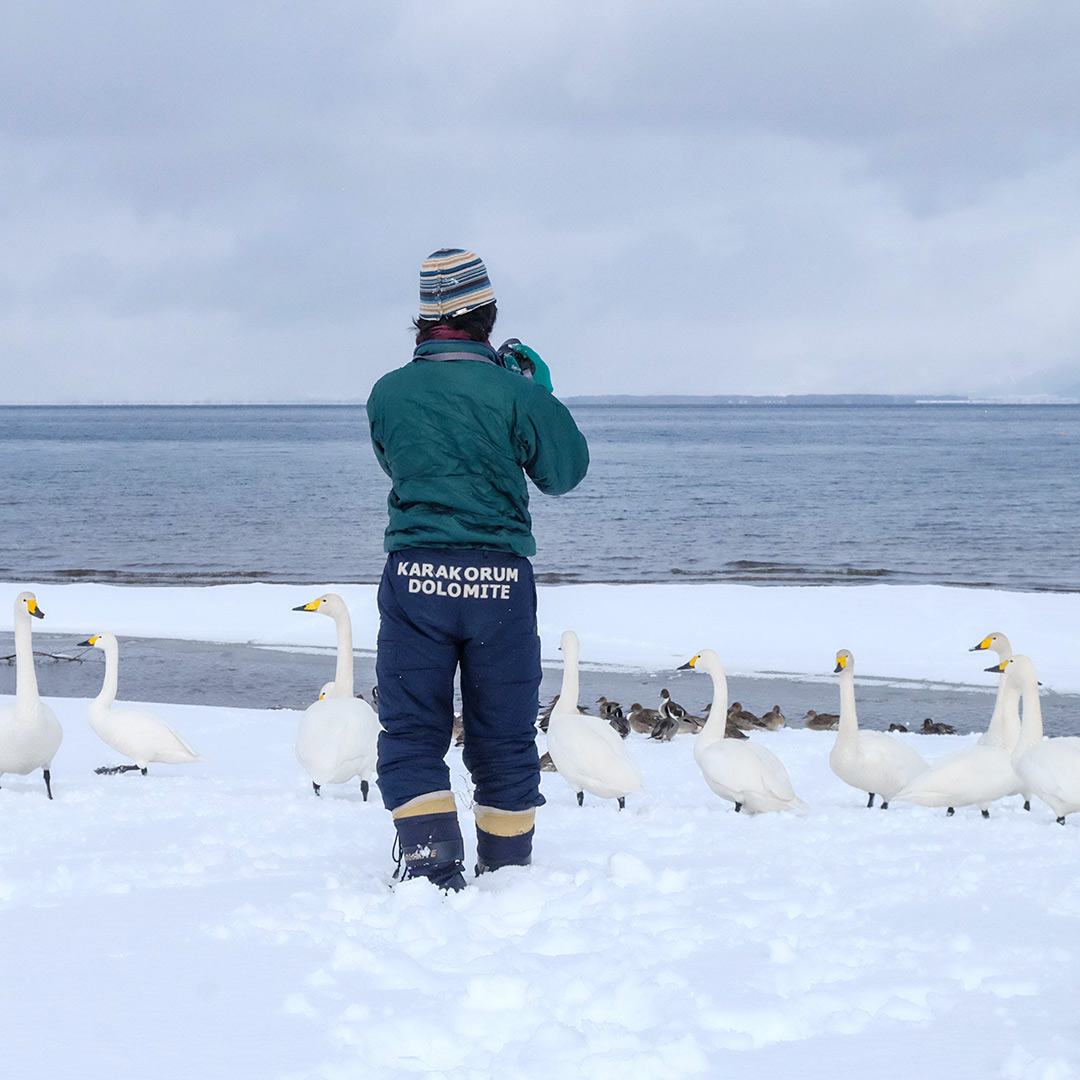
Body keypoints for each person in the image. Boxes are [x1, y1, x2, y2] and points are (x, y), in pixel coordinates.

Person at [367, 248, 589, 890]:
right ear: (487, 315)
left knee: (411, 728)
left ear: (424, 320)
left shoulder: (388, 393)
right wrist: (535, 395)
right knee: (505, 733)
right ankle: (507, 867)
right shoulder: (514, 391)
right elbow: (563, 474)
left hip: (415, 579)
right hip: (499, 583)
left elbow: (399, 464)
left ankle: (432, 863)